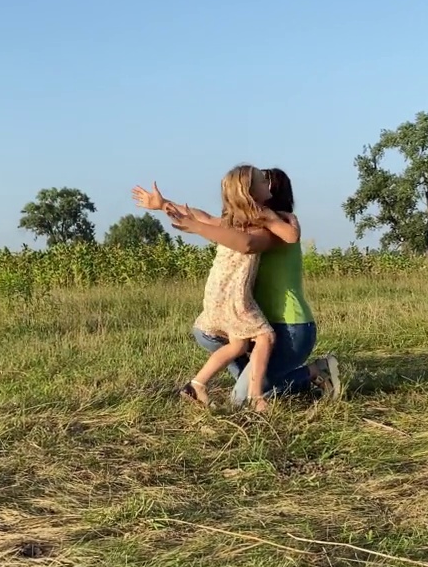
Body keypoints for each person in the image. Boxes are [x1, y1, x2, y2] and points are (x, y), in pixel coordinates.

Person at [132, 167, 341, 407]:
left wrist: (200, 228)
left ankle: (314, 371)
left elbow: (247, 243)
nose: (260, 188)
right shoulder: (245, 222)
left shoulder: (278, 227)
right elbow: (205, 218)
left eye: (265, 182)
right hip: (253, 318)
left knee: (241, 399)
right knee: (207, 333)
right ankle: (256, 379)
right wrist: (164, 204)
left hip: (291, 328)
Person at [174, 164, 301, 411]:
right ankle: (256, 397)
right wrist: (279, 218)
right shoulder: (256, 220)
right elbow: (287, 236)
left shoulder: (233, 219)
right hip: (233, 292)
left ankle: (197, 385)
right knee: (264, 336)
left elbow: (201, 217)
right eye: (262, 182)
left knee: (239, 345)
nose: (268, 185)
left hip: (218, 290)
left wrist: (163, 204)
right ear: (249, 192)